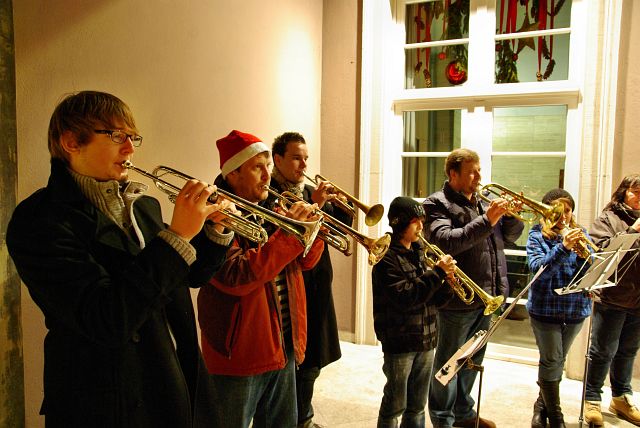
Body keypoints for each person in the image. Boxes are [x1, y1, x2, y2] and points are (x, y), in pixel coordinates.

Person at [6, 91, 233, 427]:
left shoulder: (143, 205)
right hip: (106, 400)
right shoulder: (38, 220)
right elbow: (107, 319)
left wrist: (215, 231)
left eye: (132, 138)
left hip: (173, 377)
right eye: (116, 136)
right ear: (71, 142)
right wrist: (177, 236)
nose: (129, 149)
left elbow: (186, 276)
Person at [197, 130, 325, 428]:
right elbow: (235, 276)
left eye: (268, 166)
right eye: (258, 167)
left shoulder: (274, 208)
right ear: (233, 173)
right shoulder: (214, 213)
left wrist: (313, 231)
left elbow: (305, 263)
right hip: (240, 352)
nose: (268, 175)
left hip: (283, 342)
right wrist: (290, 237)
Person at [423, 148, 524, 428]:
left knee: (472, 360)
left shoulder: (482, 202)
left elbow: (510, 237)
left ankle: (464, 413)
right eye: (471, 172)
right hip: (457, 299)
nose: (478, 176)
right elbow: (445, 241)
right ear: (453, 173)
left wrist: (510, 217)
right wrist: (487, 220)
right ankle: (442, 418)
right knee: (449, 363)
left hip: (487, 295)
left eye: (479, 170)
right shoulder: (436, 203)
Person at [269, 131, 352, 428]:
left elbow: (339, 233)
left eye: (306, 158)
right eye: (296, 158)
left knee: (314, 360)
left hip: (318, 284)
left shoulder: (309, 191)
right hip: (294, 288)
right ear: (278, 159)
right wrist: (314, 204)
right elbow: (286, 238)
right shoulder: (270, 194)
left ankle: (304, 416)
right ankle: (297, 419)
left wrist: (339, 207)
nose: (304, 165)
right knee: (295, 364)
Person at [372, 196, 456, 428]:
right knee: (395, 405)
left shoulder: (421, 252)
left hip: (426, 339)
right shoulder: (385, 256)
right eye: (415, 221)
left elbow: (435, 300)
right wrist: (437, 274)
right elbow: (405, 297)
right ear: (399, 223)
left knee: (418, 406)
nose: (421, 226)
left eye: (422, 221)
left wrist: (447, 283)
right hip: (400, 341)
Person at [525, 188, 593, 428]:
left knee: (556, 362)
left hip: (575, 309)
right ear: (547, 212)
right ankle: (556, 418)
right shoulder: (536, 236)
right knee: (552, 360)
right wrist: (563, 247)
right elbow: (538, 271)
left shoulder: (581, 233)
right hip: (545, 309)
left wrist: (586, 258)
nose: (564, 216)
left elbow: (591, 269)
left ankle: (540, 406)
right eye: (559, 211)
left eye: (568, 210)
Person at [584, 174, 640, 427]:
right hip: (612, 296)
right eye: (635, 191)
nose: (639, 197)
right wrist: (633, 230)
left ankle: (621, 397)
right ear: (624, 192)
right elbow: (601, 251)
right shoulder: (608, 219)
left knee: (628, 351)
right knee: (602, 351)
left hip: (637, 299)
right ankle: (592, 398)